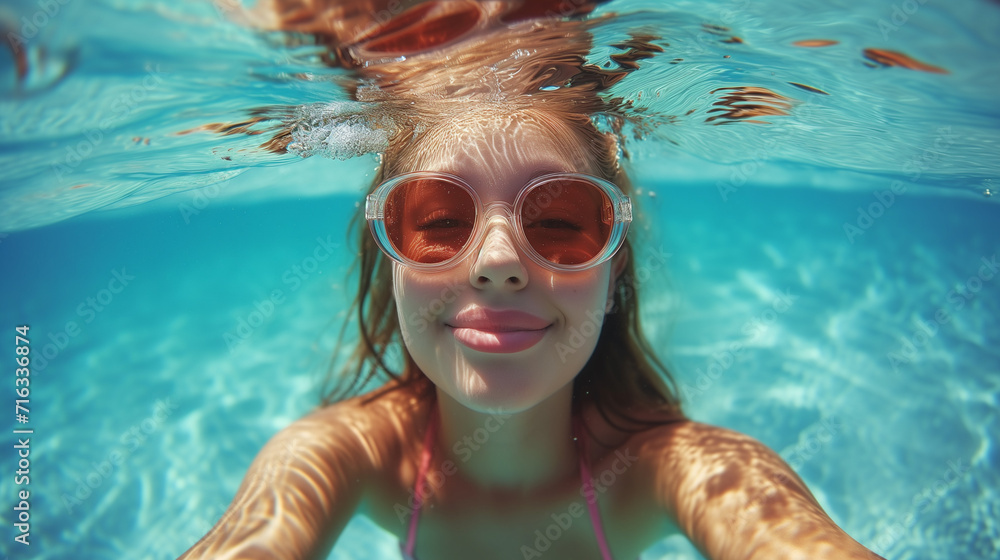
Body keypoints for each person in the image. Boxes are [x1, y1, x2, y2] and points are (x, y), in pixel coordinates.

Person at [180, 2, 884, 559]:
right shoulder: (344, 455)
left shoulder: (673, 470)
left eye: (558, 222)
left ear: (614, 269)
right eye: (441, 220)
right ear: (388, 252)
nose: (496, 261)